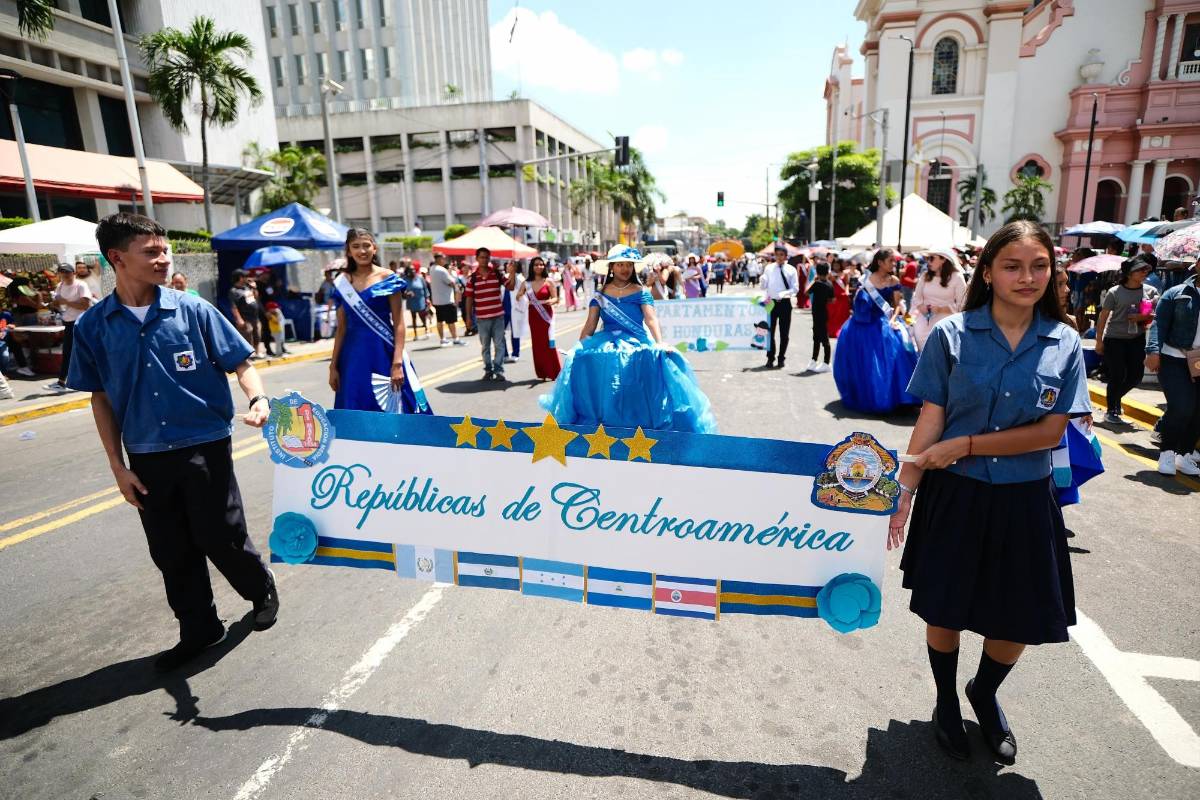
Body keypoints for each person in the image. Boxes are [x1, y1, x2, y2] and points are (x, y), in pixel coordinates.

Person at [888, 220, 1091, 764]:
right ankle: (946, 701)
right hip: (956, 495)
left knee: (1019, 617)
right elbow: (932, 418)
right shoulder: (951, 335)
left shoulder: (1066, 342)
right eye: (1012, 266)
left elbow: (1050, 432)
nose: (1028, 277)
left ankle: (985, 691)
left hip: (1025, 499)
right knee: (945, 609)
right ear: (987, 273)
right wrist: (905, 491)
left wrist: (967, 445)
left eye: (1039, 266)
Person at [66, 212, 279, 672]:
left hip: (205, 444)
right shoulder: (93, 326)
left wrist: (258, 398)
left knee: (221, 534)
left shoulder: (193, 310)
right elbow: (99, 397)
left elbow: (241, 362)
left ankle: (260, 589)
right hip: (145, 455)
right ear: (117, 258)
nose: (164, 259)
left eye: (165, 250)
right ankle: (200, 629)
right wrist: (118, 466)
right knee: (170, 549)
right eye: (151, 252)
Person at [540, 245, 716, 433]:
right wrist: (578, 347)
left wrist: (659, 343)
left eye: (629, 265)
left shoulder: (641, 292)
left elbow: (651, 319)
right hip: (606, 344)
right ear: (611, 267)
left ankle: (638, 430)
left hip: (635, 342)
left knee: (637, 386)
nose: (625, 269)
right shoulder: (600, 294)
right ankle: (607, 429)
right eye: (620, 265)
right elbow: (590, 325)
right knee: (601, 382)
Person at [328, 228, 430, 414]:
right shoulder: (342, 282)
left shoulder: (388, 278)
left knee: (393, 407)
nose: (362, 251)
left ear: (374, 248)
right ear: (348, 251)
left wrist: (397, 362)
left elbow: (399, 323)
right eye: (356, 246)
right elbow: (341, 328)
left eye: (366, 245)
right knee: (355, 408)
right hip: (352, 357)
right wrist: (333, 366)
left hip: (383, 352)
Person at [832, 248, 918, 414]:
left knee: (897, 357)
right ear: (880, 262)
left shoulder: (893, 280)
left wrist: (893, 319)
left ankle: (900, 398)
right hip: (864, 324)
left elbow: (897, 305)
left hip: (885, 322)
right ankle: (873, 396)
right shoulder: (866, 280)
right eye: (890, 261)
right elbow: (858, 304)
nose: (894, 264)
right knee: (867, 362)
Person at [1145, 256, 1200, 476]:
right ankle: (1167, 452)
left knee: (1197, 411)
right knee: (1181, 407)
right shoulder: (1176, 293)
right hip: (1174, 357)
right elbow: (1159, 323)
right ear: (1198, 265)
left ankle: (1184, 455)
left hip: (1199, 361)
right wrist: (1153, 351)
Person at [1095, 255, 1159, 425]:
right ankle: (1111, 410)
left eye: (1146, 270)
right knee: (1117, 375)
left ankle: (1115, 399)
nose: (1144, 273)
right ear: (1129, 273)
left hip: (1137, 338)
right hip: (1115, 338)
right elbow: (1103, 317)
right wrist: (1099, 341)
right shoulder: (1114, 292)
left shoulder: (1151, 292)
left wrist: (1142, 317)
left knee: (1136, 376)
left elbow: (1155, 315)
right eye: (1140, 270)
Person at [46, 261, 94, 392]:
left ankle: (62, 381)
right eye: (62, 272)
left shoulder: (80, 285)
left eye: (67, 272)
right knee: (74, 352)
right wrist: (54, 303)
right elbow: (57, 304)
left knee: (71, 352)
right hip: (68, 322)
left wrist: (65, 302)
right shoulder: (60, 286)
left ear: (73, 273)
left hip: (81, 322)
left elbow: (85, 305)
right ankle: (69, 381)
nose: (65, 274)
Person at [464, 247, 507, 381]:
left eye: (486, 257)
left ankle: (498, 370)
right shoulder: (472, 278)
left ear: (489, 258)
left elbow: (510, 286)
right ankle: (488, 369)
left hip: (498, 317)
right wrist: (468, 317)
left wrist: (511, 272)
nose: (484, 259)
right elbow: (469, 299)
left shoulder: (497, 274)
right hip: (482, 319)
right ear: (477, 259)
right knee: (485, 346)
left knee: (499, 344)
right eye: (481, 257)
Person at [911, 249, 968, 350]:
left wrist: (941, 309)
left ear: (943, 259)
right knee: (922, 350)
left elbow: (963, 305)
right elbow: (916, 298)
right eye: (927, 258)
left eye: (932, 258)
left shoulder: (957, 277)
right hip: (923, 321)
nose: (928, 262)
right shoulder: (925, 276)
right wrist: (921, 307)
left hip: (946, 323)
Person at [760, 244, 799, 369]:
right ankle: (770, 358)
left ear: (786, 256)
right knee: (769, 332)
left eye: (781, 255)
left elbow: (795, 288)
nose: (779, 257)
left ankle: (781, 358)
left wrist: (785, 294)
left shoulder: (791, 270)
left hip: (785, 303)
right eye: (777, 255)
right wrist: (762, 280)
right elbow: (763, 287)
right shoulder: (769, 268)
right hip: (771, 302)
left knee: (784, 333)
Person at [429, 253, 465, 347]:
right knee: (451, 321)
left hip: (437, 300)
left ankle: (442, 339)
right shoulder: (442, 270)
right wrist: (451, 272)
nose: (445, 260)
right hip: (446, 299)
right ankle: (455, 338)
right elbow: (452, 282)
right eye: (443, 258)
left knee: (440, 320)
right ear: (439, 259)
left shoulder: (432, 269)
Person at [806, 262, 834, 373]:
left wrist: (813, 280)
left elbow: (806, 292)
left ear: (817, 272)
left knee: (818, 337)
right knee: (821, 336)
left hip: (816, 313)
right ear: (827, 272)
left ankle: (824, 362)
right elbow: (832, 300)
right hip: (824, 312)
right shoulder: (830, 284)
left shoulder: (816, 283)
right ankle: (816, 360)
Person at [228, 269, 262, 359]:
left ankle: (257, 352)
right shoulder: (234, 291)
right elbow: (233, 306)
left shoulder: (247, 288)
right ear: (240, 278)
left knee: (257, 335)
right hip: (245, 317)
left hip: (254, 316)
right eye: (245, 276)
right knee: (247, 335)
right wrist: (239, 319)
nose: (247, 278)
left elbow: (256, 298)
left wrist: (254, 288)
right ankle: (249, 355)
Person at [504, 259, 529, 363]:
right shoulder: (504, 277)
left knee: (515, 332)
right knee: (500, 332)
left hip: (515, 308)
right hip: (504, 308)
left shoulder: (520, 278)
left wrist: (520, 294)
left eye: (511, 264)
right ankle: (504, 354)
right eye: (508, 264)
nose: (508, 266)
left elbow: (524, 290)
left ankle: (515, 353)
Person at [402, 263, 430, 340]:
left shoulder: (420, 278)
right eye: (411, 270)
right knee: (413, 317)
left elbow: (425, 289)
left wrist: (427, 298)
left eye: (414, 269)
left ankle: (426, 330)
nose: (413, 271)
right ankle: (415, 334)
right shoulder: (405, 280)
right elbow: (402, 292)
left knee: (423, 315)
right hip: (411, 301)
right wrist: (406, 293)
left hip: (420, 300)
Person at [826, 262, 852, 340]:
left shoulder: (845, 274)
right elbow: (829, 280)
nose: (836, 266)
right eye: (834, 265)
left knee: (842, 315)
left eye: (837, 265)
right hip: (834, 297)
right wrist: (836, 276)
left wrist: (847, 291)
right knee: (832, 315)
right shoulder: (830, 273)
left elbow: (847, 284)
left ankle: (841, 331)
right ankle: (831, 331)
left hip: (843, 297)